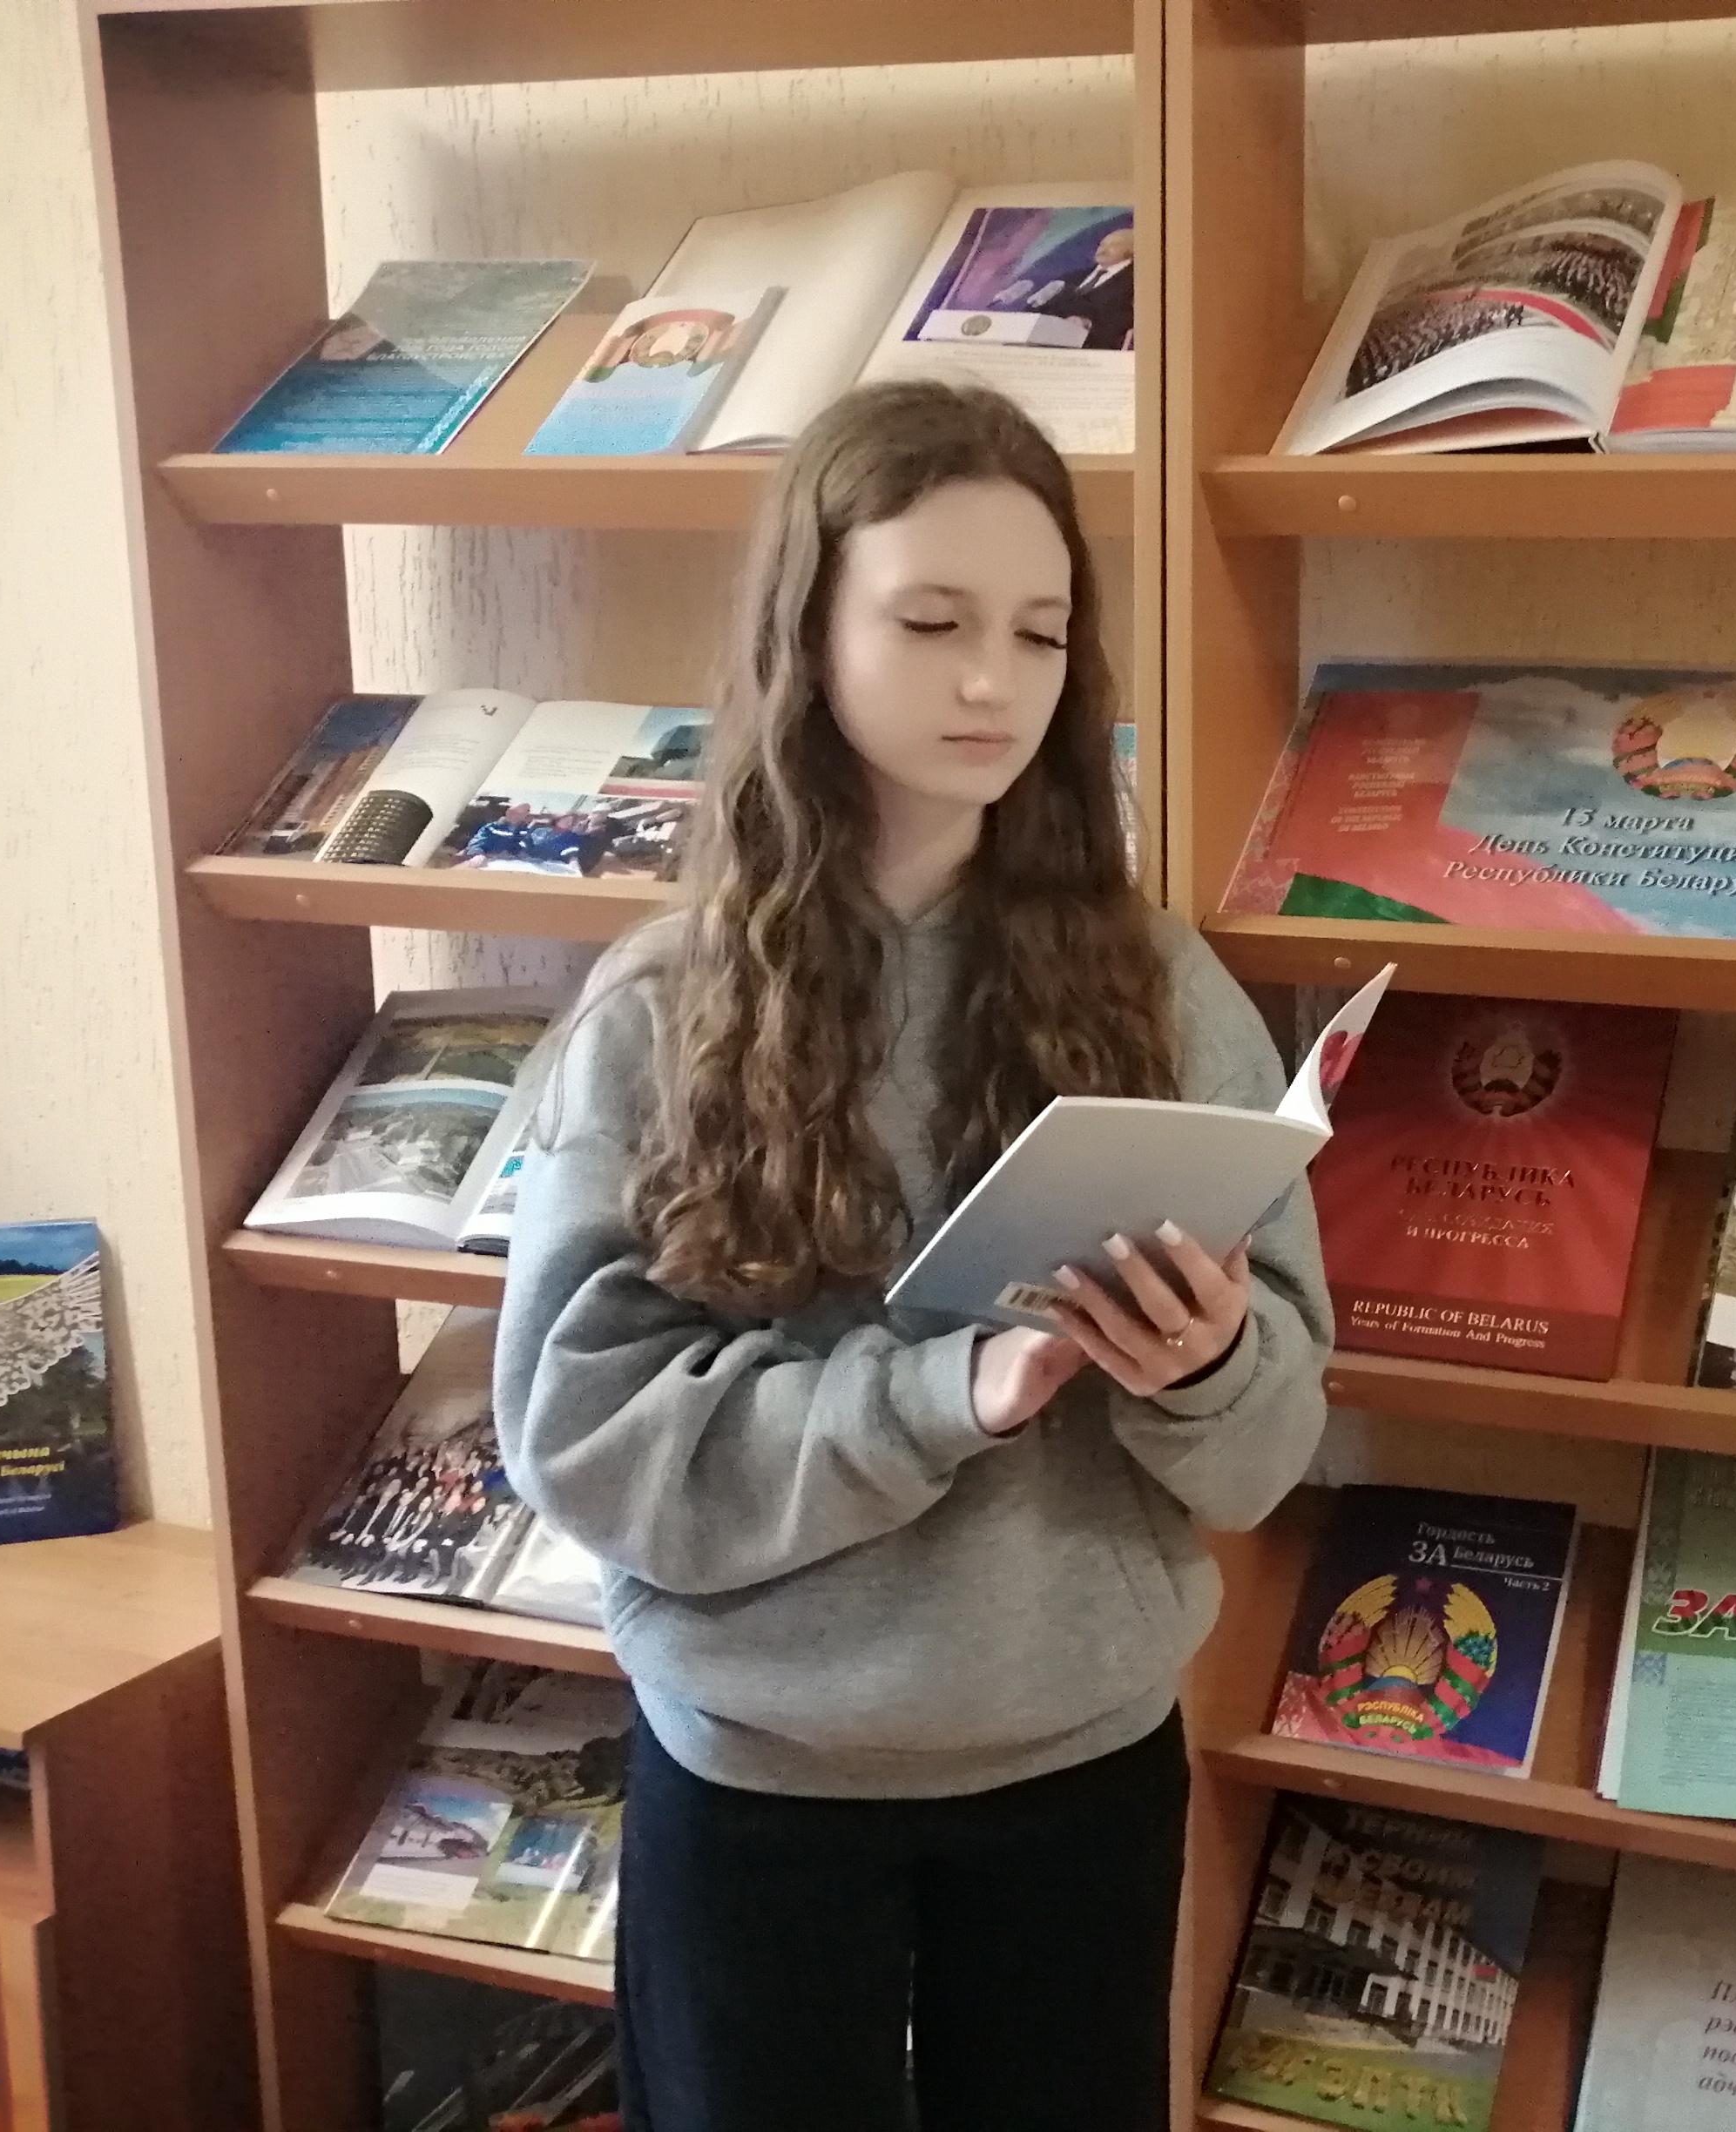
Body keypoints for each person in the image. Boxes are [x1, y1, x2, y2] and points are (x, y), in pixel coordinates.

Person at [495, 380, 1330, 2132]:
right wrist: (942, 1394)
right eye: (931, 620)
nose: (990, 683)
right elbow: (584, 1436)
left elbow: (1266, 1452)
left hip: (1080, 1755)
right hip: (761, 1775)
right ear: (809, 630)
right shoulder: (662, 1010)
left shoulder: (1163, 989)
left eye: (1039, 633)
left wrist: (1202, 1366)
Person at [1029, 224, 1136, 350]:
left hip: (1093, 351)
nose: (1103, 250)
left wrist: (1088, 324)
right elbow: (1041, 307)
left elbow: (1130, 319)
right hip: (1046, 345)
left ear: (1131, 249)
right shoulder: (1072, 276)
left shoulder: (1136, 281)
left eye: (1113, 245)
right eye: (1102, 245)